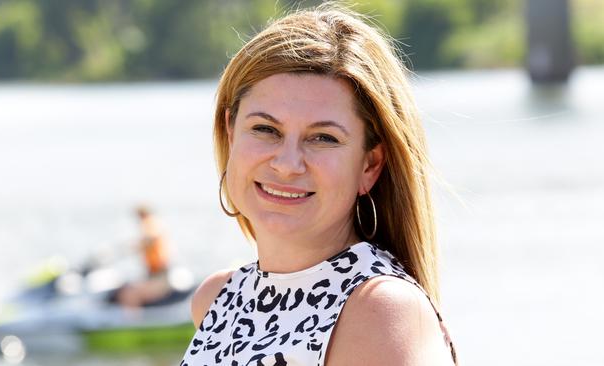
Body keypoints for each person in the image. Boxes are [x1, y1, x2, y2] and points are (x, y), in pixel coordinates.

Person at [181, 4, 457, 365]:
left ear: (369, 164)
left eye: (323, 138)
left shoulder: (381, 311)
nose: (287, 164)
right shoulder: (217, 298)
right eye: (266, 129)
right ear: (231, 133)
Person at [116, 205, 172, 307]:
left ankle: (133, 322)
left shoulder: (150, 223)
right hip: (153, 275)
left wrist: (133, 247)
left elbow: (150, 237)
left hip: (159, 277)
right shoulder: (151, 224)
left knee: (129, 294)